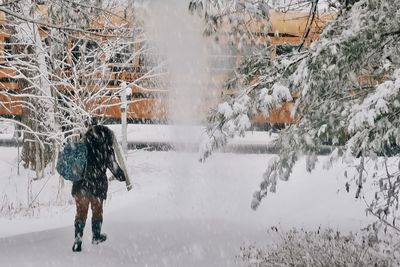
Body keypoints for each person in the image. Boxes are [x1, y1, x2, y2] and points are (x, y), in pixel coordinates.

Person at [72, 125, 126, 252]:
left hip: (82, 185)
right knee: (97, 212)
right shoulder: (106, 147)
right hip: (97, 186)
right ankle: (96, 236)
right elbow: (113, 166)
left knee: (81, 213)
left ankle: (77, 240)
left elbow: (75, 166)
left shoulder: (83, 144)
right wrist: (122, 177)